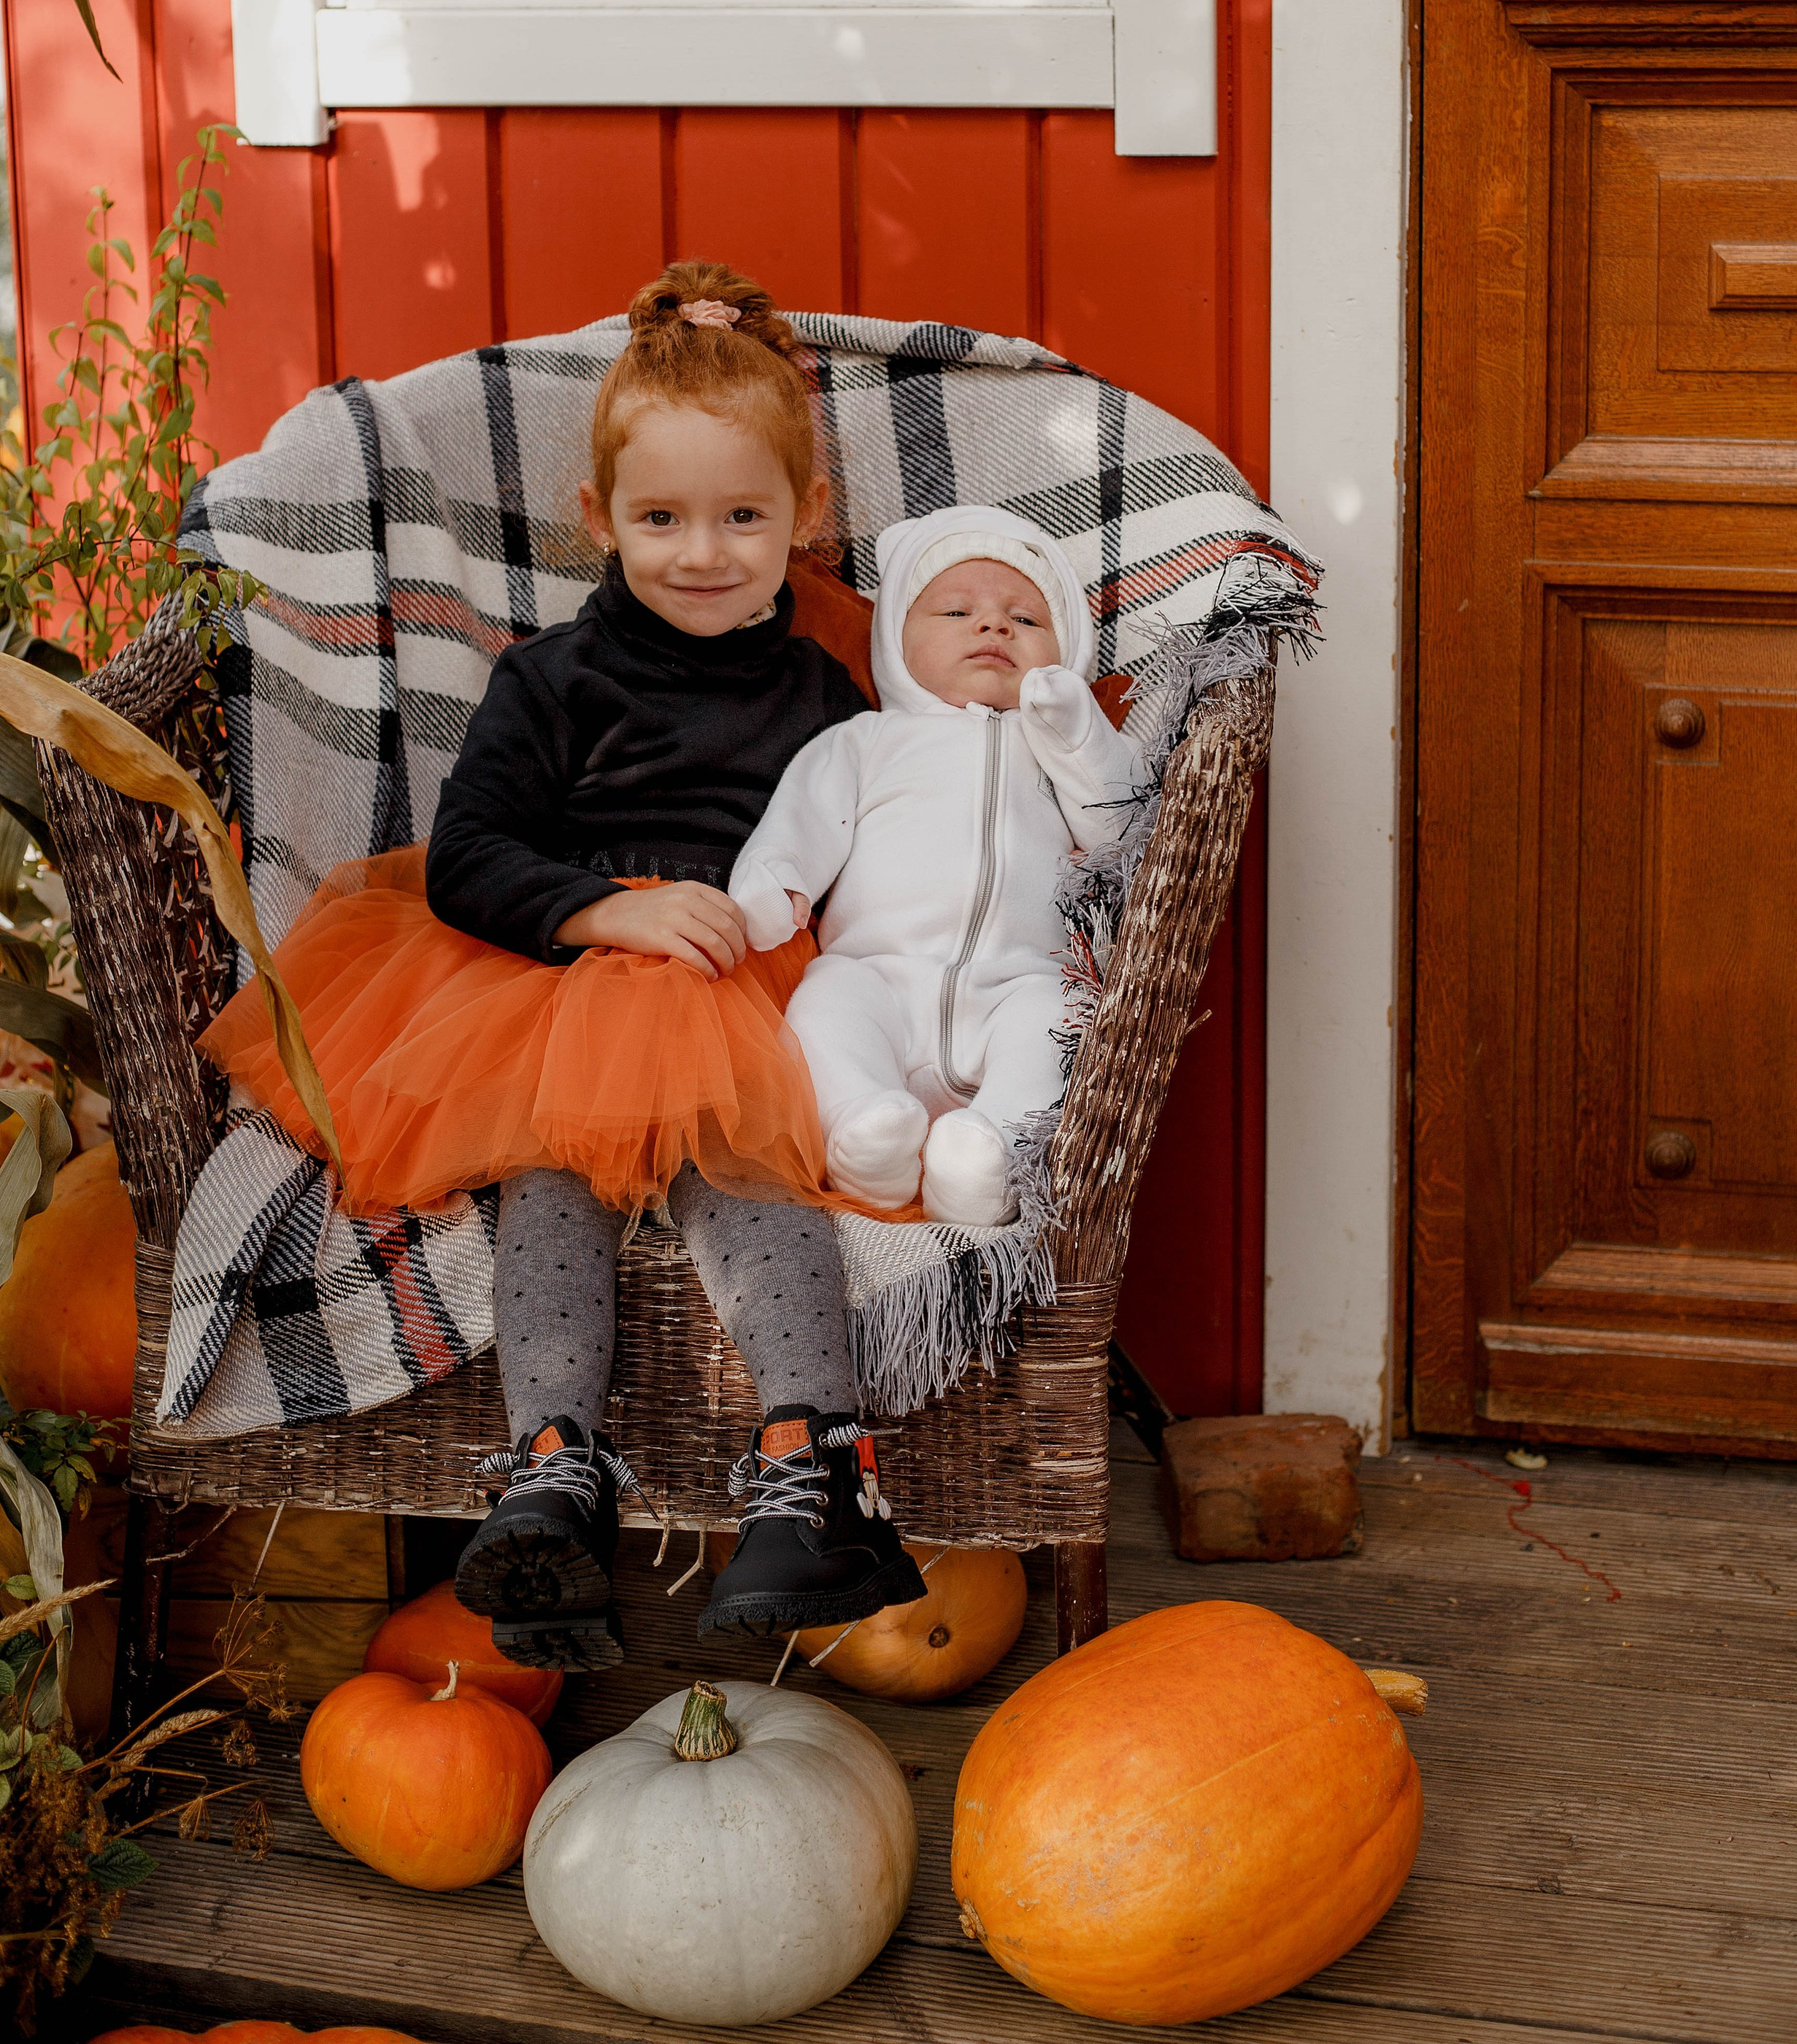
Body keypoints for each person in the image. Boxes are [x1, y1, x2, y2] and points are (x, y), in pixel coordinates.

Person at [199, 263, 925, 1669]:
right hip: (555, 984)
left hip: (748, 977)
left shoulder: (825, 683)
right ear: (598, 520)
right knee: (555, 1165)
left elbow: (877, 834)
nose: (700, 552)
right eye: (660, 519)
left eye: (740, 517)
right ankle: (552, 1471)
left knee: (740, 1162)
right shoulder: (550, 683)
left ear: (805, 520)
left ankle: (815, 1462)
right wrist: (605, 912)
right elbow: (469, 855)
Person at [730, 505, 1136, 1227]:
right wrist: (776, 880)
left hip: (1018, 985)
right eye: (956, 610)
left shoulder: (1062, 747)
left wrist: (1078, 733)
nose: (993, 627)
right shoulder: (868, 741)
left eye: (1027, 620)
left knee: (1057, 1019)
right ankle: (863, 1128)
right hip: (877, 975)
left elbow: (1123, 830)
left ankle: (987, 1153)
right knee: (824, 1006)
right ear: (895, 641)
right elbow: (803, 817)